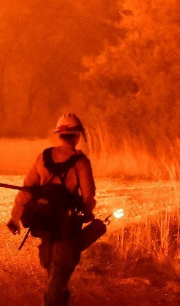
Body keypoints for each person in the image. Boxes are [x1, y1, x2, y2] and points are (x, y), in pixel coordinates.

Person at [7, 113, 106, 306]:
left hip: (45, 230)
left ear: (59, 135)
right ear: (77, 136)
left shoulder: (42, 158)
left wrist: (15, 218)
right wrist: (87, 214)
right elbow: (88, 198)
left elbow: (25, 191)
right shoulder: (81, 162)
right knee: (57, 284)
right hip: (65, 233)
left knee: (53, 277)